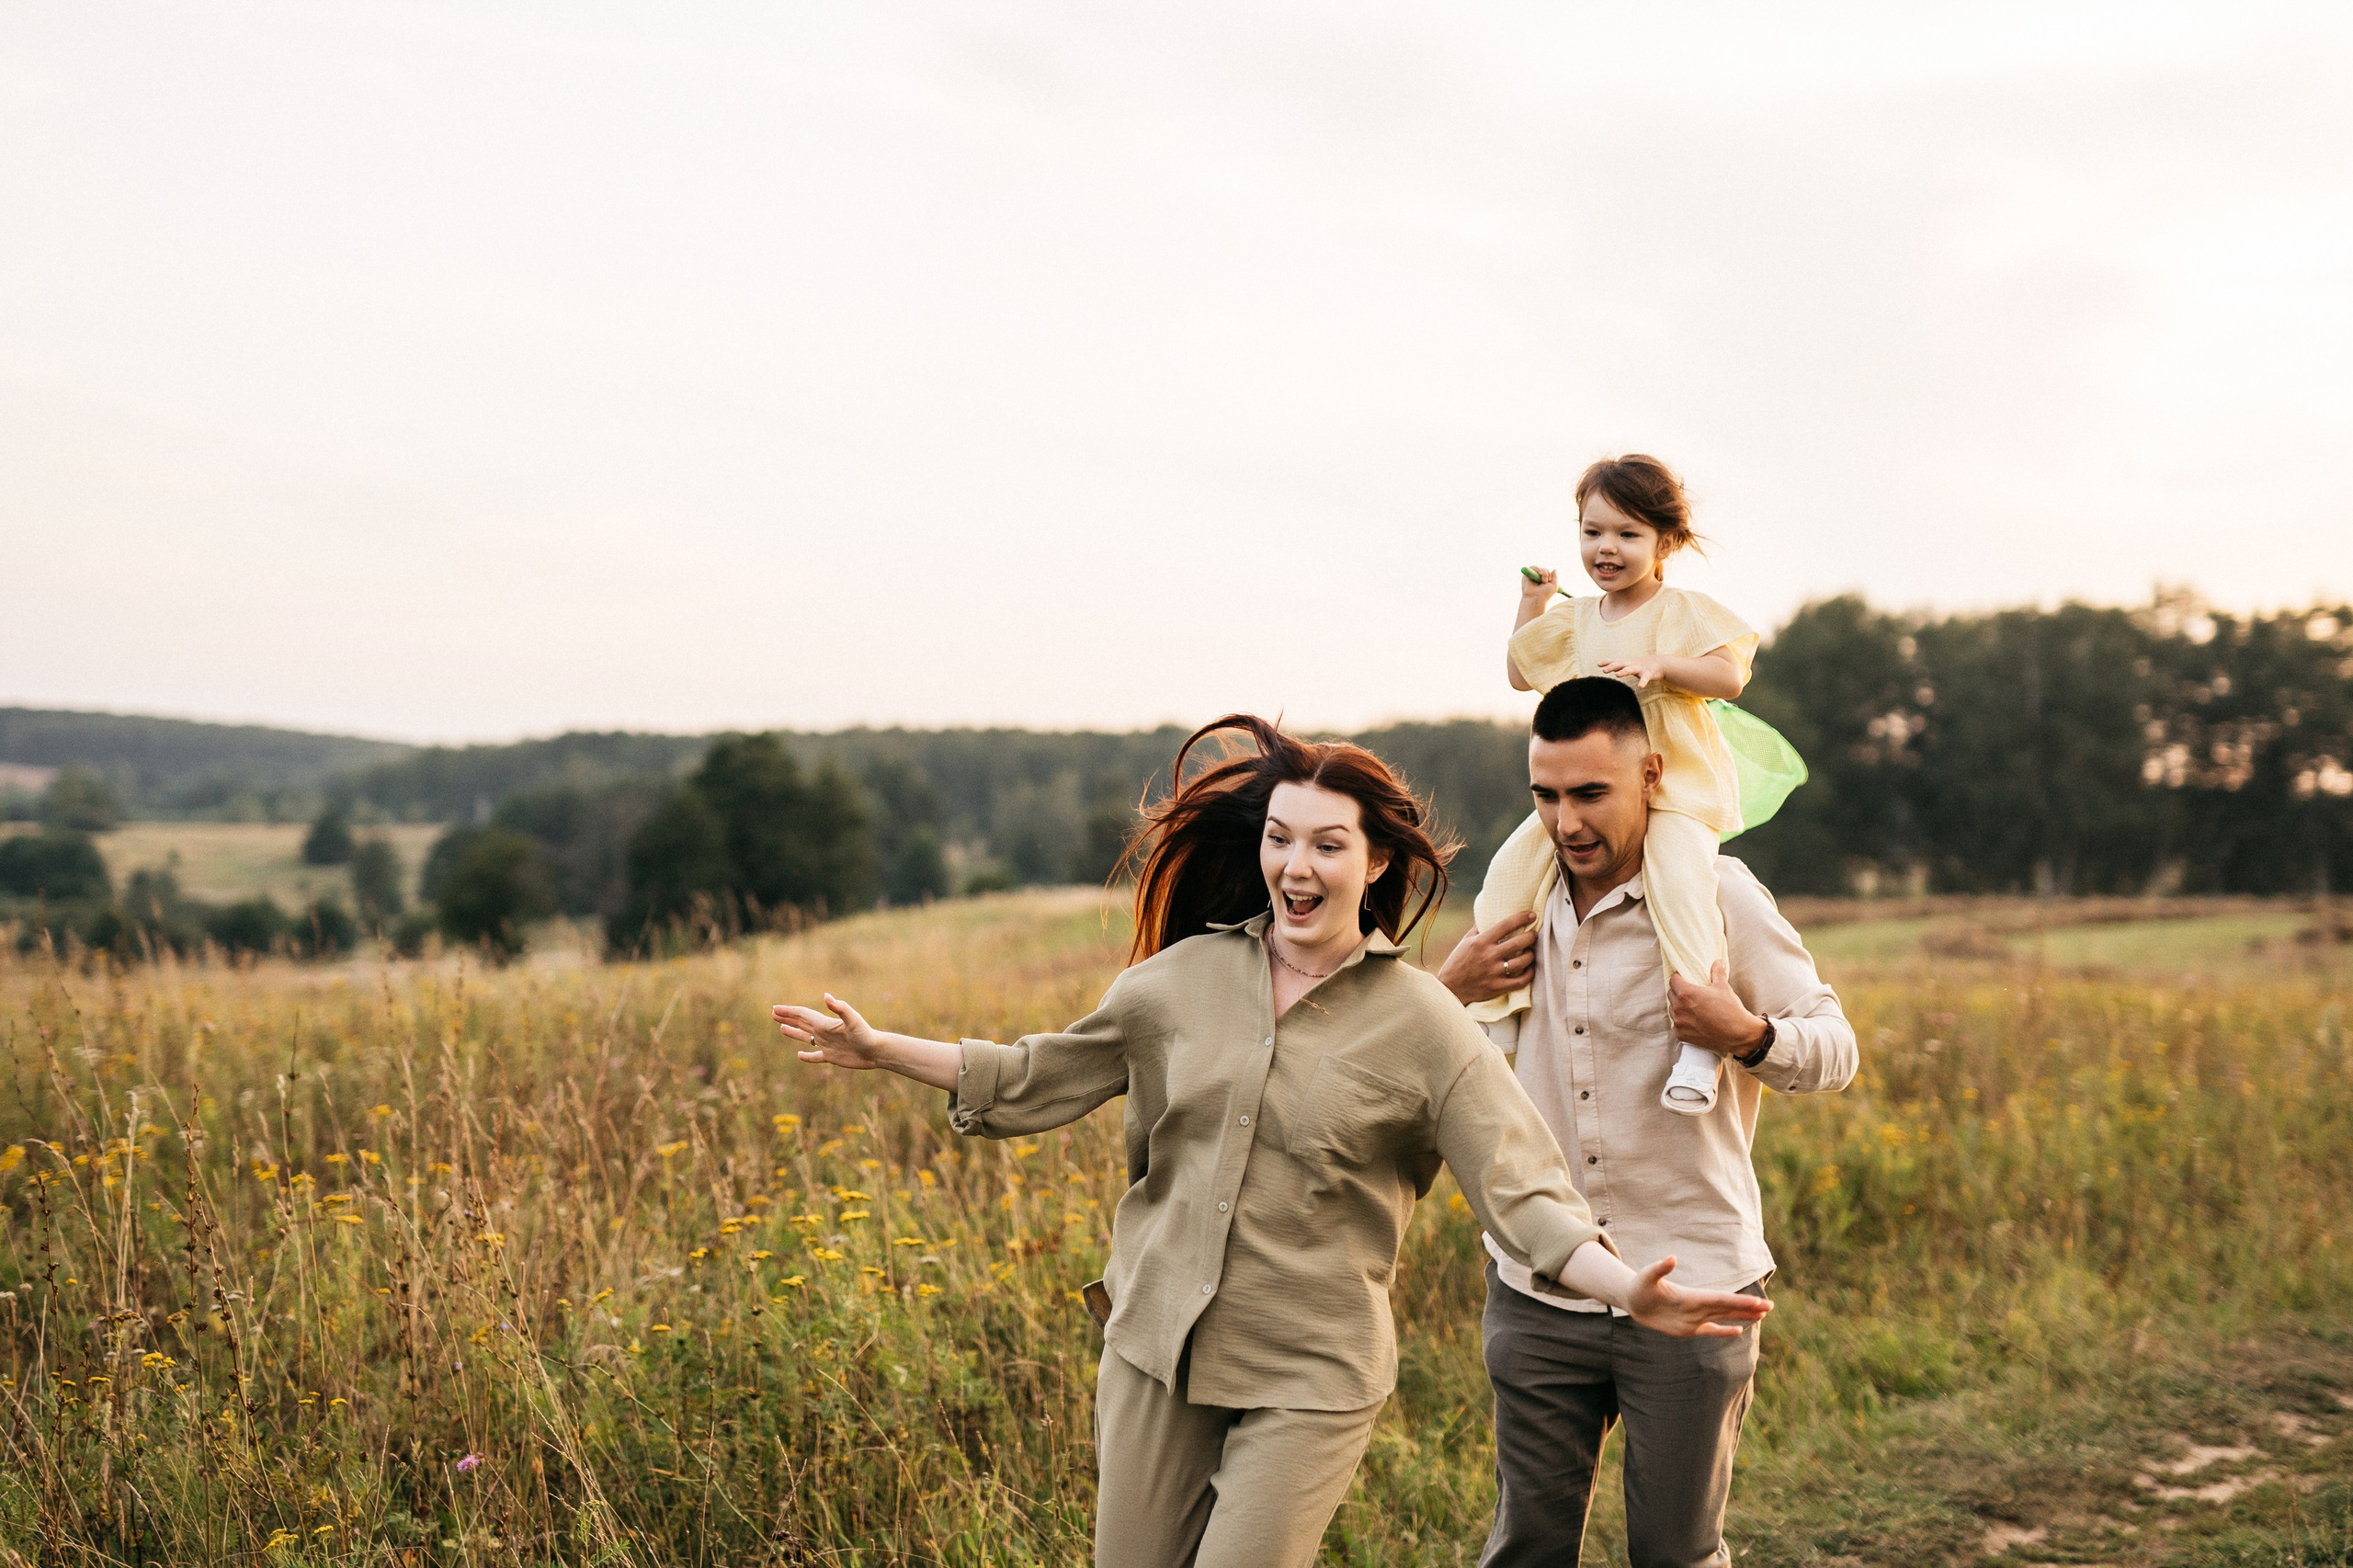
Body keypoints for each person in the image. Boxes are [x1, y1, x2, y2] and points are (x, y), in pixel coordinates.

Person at [775, 714, 1772, 1568]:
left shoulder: (1422, 1019)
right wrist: (880, 1049)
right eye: (1281, 839)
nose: (1297, 866)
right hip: (1155, 1346)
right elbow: (1037, 1073)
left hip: (1311, 1369)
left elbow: (1525, 1189)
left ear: (1373, 860)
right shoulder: (1177, 981)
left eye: (1327, 844)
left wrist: (1624, 1285)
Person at [1438, 677, 1859, 1568]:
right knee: (1524, 1548)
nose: (1566, 821)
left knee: (1676, 1553)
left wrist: (1744, 1034)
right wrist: (1448, 991)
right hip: (1538, 1288)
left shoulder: (1718, 896)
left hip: (1696, 1285)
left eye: (1590, 792)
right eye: (1545, 795)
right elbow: (1420, 1072)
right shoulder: (1511, 913)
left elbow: (1835, 1047)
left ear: (1652, 776)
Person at [1483, 453, 1758, 1115]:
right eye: (1593, 531)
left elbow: (1729, 678)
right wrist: (1532, 603)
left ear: (1664, 543)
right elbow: (1522, 673)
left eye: (1627, 535)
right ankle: (1497, 1013)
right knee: (1507, 872)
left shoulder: (1682, 610)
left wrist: (1661, 665)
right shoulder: (1579, 620)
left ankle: (1698, 1043)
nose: (1606, 549)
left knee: (1681, 884)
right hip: (1593, 793)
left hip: (1673, 791)